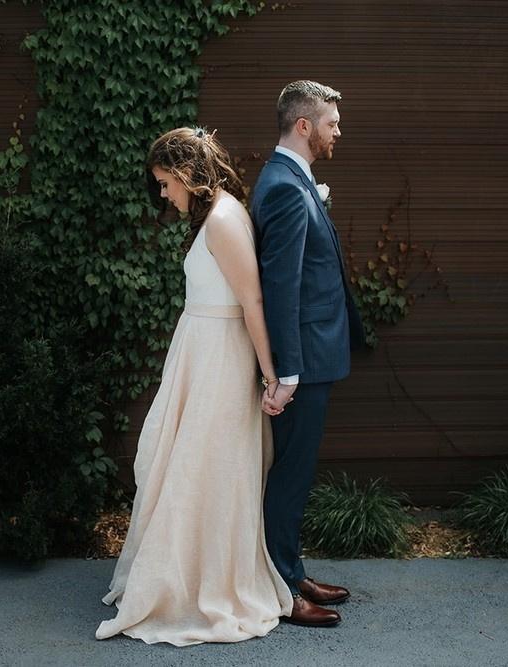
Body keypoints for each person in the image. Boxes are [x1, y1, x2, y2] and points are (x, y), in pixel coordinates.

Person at [95, 127, 293, 646]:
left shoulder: (224, 219)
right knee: (190, 460)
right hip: (201, 350)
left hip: (219, 358)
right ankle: (178, 571)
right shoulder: (215, 215)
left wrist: (271, 376)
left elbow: (252, 303)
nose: (163, 195)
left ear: (185, 175)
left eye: (165, 183)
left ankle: (200, 583)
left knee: (206, 463)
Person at [250, 80, 365, 627]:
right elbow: (281, 286)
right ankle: (281, 590)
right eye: (331, 122)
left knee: (296, 470)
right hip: (305, 363)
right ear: (303, 125)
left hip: (315, 356)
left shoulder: (292, 179)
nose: (338, 130)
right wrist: (287, 371)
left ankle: (290, 571)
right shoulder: (283, 188)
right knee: (291, 473)